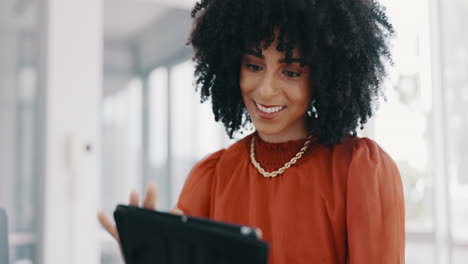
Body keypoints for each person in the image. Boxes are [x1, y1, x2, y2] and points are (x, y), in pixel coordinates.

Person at [98, 0, 405, 263]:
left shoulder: (359, 171)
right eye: (254, 66)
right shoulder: (212, 177)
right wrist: (152, 255)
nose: (266, 90)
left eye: (290, 72)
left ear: (325, 76)